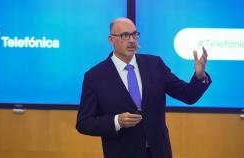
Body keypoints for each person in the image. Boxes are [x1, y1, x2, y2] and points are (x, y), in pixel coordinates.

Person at [76, 17, 211, 158]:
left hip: (159, 152)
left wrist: (199, 76)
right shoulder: (95, 76)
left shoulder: (155, 64)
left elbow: (188, 96)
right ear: (111, 40)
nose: (132, 40)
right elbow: (84, 123)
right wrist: (116, 121)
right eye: (125, 35)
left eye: (134, 34)